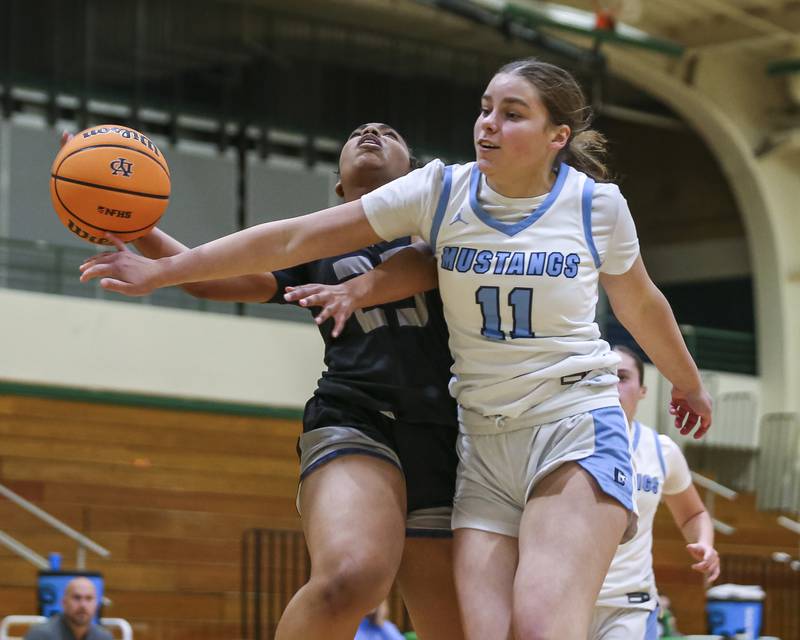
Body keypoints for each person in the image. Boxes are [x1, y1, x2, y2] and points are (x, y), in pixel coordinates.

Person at [79, 57, 713, 639]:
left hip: (512, 424)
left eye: (511, 113)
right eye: (484, 109)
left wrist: (687, 381)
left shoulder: (548, 212)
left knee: (517, 627)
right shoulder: (432, 199)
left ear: (557, 136)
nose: (488, 124)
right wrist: (155, 257)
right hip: (425, 430)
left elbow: (638, 302)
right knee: (372, 585)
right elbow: (277, 245)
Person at [78, 123, 463, 640]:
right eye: (356, 133)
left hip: (448, 434)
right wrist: (132, 218)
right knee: (350, 578)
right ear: (338, 187)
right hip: (356, 414)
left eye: (389, 133)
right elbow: (211, 280)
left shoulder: (448, 227)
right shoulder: (318, 242)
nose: (371, 132)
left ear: (416, 174)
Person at [589, 346, 718, 640]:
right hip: (568, 596)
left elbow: (694, 514)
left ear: (642, 391)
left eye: (622, 377)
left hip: (629, 604)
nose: (612, 385)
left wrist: (705, 543)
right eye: (604, 375)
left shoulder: (661, 450)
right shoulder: (565, 440)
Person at [24, 577, 112, 640]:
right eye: (77, 598)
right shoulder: (40, 635)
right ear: (64, 602)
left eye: (89, 598)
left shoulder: (104, 637)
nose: (83, 605)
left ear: (96, 604)